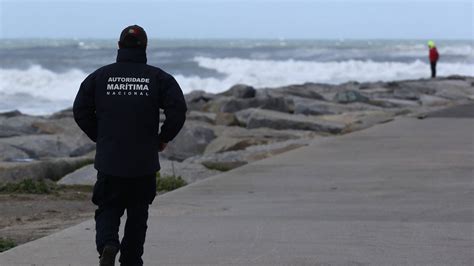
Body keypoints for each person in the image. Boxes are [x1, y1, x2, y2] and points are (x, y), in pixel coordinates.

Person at [73, 25, 187, 266]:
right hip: (143, 162)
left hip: (110, 160)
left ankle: (108, 244)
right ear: (145, 47)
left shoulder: (100, 77)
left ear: (118, 46)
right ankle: (132, 261)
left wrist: (101, 136)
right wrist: (162, 137)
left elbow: (80, 110)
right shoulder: (158, 78)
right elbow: (177, 111)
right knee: (138, 215)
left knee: (107, 207)